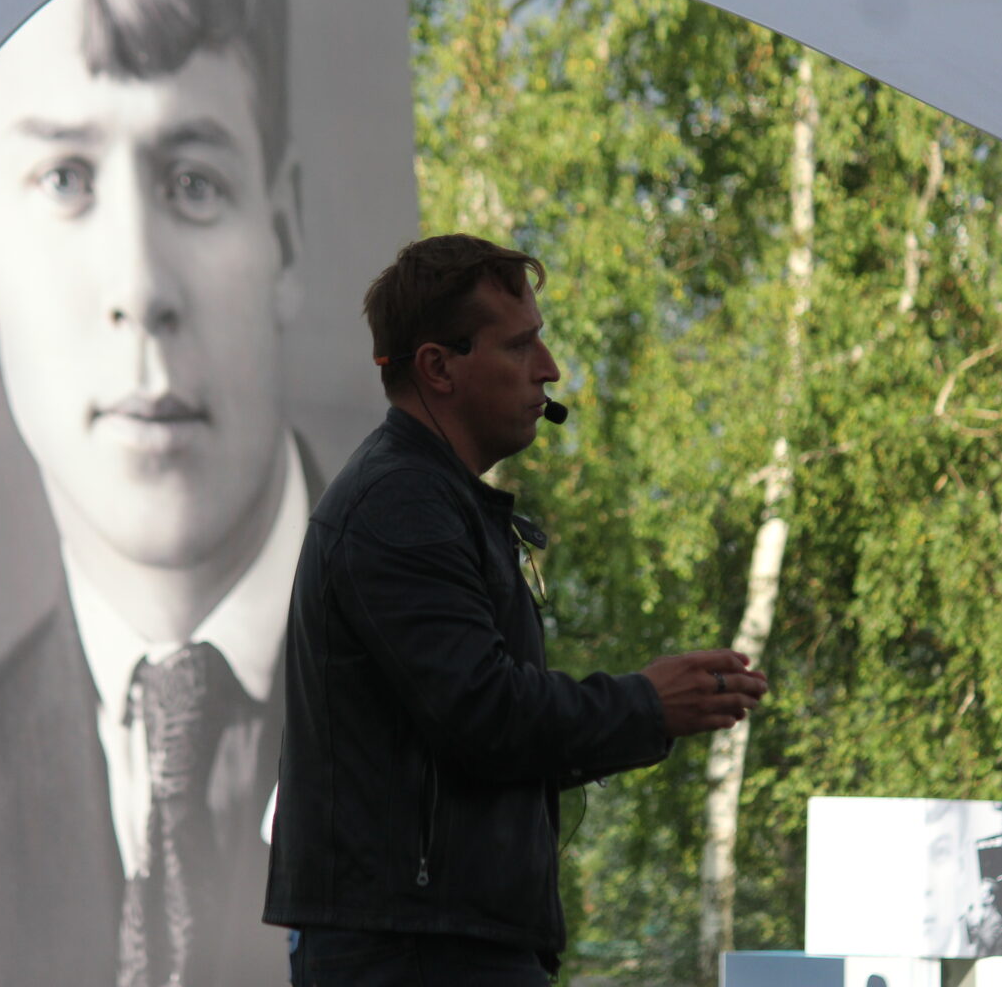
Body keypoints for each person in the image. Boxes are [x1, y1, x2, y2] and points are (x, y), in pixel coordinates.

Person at [0, 0, 306, 987]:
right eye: (65, 177)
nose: (138, 286)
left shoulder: (460, 729)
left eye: (194, 182)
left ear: (283, 226)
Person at [263, 233, 771, 985]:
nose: (550, 368)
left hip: (432, 938)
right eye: (521, 344)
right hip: (418, 950)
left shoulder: (424, 497)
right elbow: (484, 715)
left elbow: (469, 735)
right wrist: (645, 704)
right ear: (438, 367)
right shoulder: (400, 503)